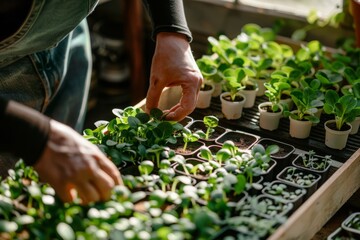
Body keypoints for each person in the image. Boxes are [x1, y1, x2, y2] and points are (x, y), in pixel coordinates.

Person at [0, 0, 203, 205]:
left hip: (66, 32)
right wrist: (34, 135)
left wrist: (172, 29)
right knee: (15, 199)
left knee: (69, 177)